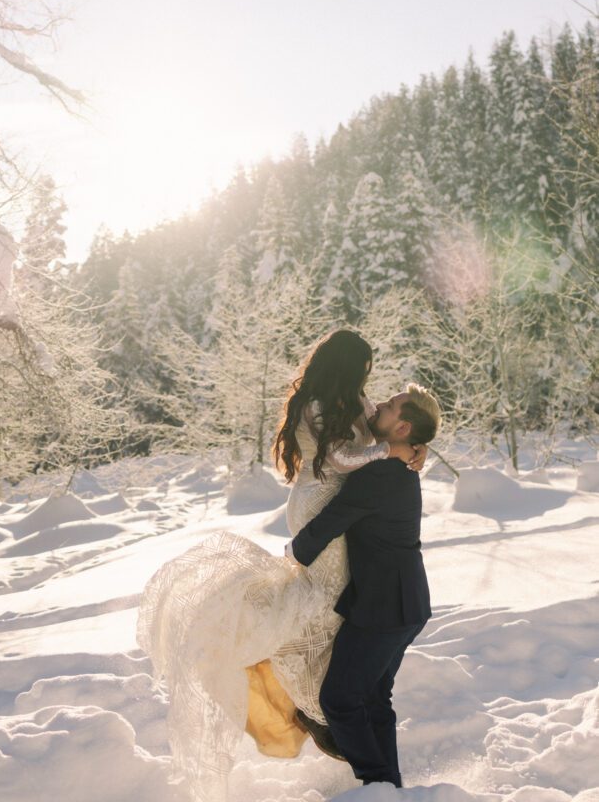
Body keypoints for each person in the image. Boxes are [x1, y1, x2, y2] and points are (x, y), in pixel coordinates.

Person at [135, 329, 427, 802]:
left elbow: (389, 425)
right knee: (316, 602)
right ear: (348, 366)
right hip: (322, 506)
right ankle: (324, 711)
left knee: (329, 610)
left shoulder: (353, 398)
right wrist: (391, 450)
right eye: (365, 369)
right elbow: (339, 456)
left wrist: (413, 447)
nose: (370, 383)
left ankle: (337, 720)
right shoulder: (316, 403)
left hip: (344, 509)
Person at [286, 385, 441, 788]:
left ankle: (378, 785)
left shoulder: (382, 472)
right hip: (406, 602)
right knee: (373, 698)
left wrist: (294, 552)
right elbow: (368, 413)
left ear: (403, 426)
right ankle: (389, 788)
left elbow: (336, 517)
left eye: (389, 407)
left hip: (384, 606)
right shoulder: (396, 461)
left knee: (339, 700)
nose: (380, 407)